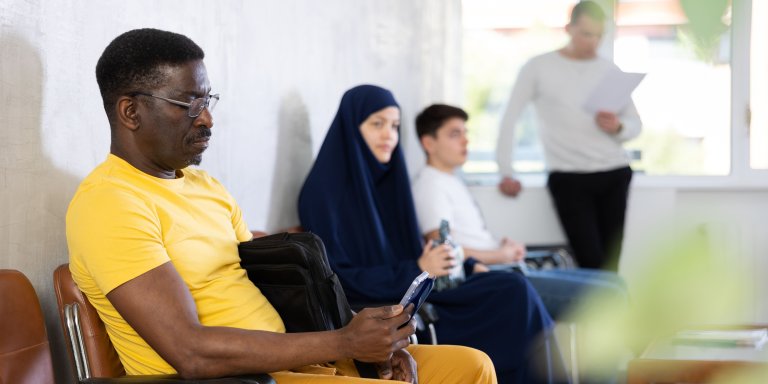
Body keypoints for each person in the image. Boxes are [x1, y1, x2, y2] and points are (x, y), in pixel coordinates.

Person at [66, 28, 498, 384]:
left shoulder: (205, 186)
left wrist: (373, 344)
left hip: (296, 354)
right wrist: (344, 344)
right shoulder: (111, 203)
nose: (207, 118)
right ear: (130, 112)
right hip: (239, 379)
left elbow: (270, 288)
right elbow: (190, 351)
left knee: (472, 366)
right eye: (189, 103)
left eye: (208, 100)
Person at [298, 84, 570, 384]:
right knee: (513, 299)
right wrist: (416, 269)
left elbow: (412, 248)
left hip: (416, 293)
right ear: (352, 126)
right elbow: (338, 279)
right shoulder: (322, 195)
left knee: (510, 286)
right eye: (377, 124)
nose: (389, 134)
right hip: (382, 310)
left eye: (394, 125)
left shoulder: (389, 183)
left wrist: (465, 265)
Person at [412, 103, 628, 321]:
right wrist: (500, 255)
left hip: (509, 268)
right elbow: (444, 254)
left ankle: (638, 354)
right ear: (429, 143)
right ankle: (635, 355)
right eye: (455, 134)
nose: (466, 140)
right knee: (611, 293)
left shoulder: (452, 180)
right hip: (492, 279)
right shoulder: (430, 186)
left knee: (614, 281)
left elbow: (466, 239)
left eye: (465, 133)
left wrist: (502, 248)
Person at [495, 1, 642, 271]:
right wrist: (506, 171)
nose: (593, 42)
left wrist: (618, 126)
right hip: (569, 179)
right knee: (591, 262)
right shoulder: (538, 67)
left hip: (614, 173)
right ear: (569, 28)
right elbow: (509, 118)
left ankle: (609, 312)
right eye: (587, 33)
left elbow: (635, 125)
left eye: (599, 35)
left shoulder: (609, 70)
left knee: (610, 265)